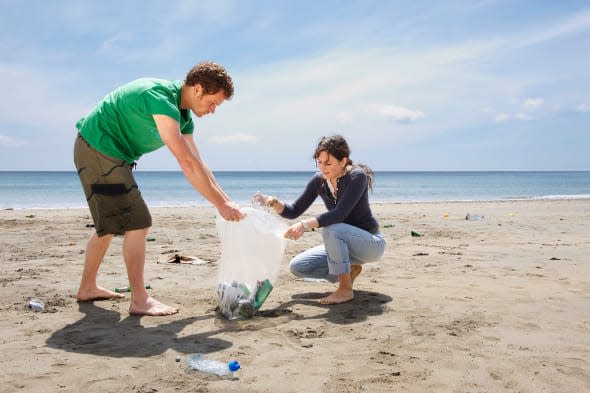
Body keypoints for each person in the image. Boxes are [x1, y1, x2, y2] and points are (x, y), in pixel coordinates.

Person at [74, 61, 245, 316]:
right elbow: (186, 163)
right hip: (98, 147)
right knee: (138, 223)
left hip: (109, 153)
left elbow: (199, 165)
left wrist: (227, 201)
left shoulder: (184, 117)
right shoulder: (160, 97)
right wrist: (219, 205)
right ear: (197, 89)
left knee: (109, 225)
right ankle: (139, 300)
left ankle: (87, 287)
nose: (213, 110)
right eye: (213, 103)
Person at [253, 135, 386, 304]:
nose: (323, 168)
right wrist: (272, 202)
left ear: (343, 161)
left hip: (370, 244)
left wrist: (304, 225)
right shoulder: (319, 181)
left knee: (332, 228)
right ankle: (350, 269)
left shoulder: (357, 176)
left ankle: (345, 289)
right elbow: (293, 211)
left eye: (328, 163)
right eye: (320, 162)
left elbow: (339, 214)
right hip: (343, 244)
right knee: (299, 267)